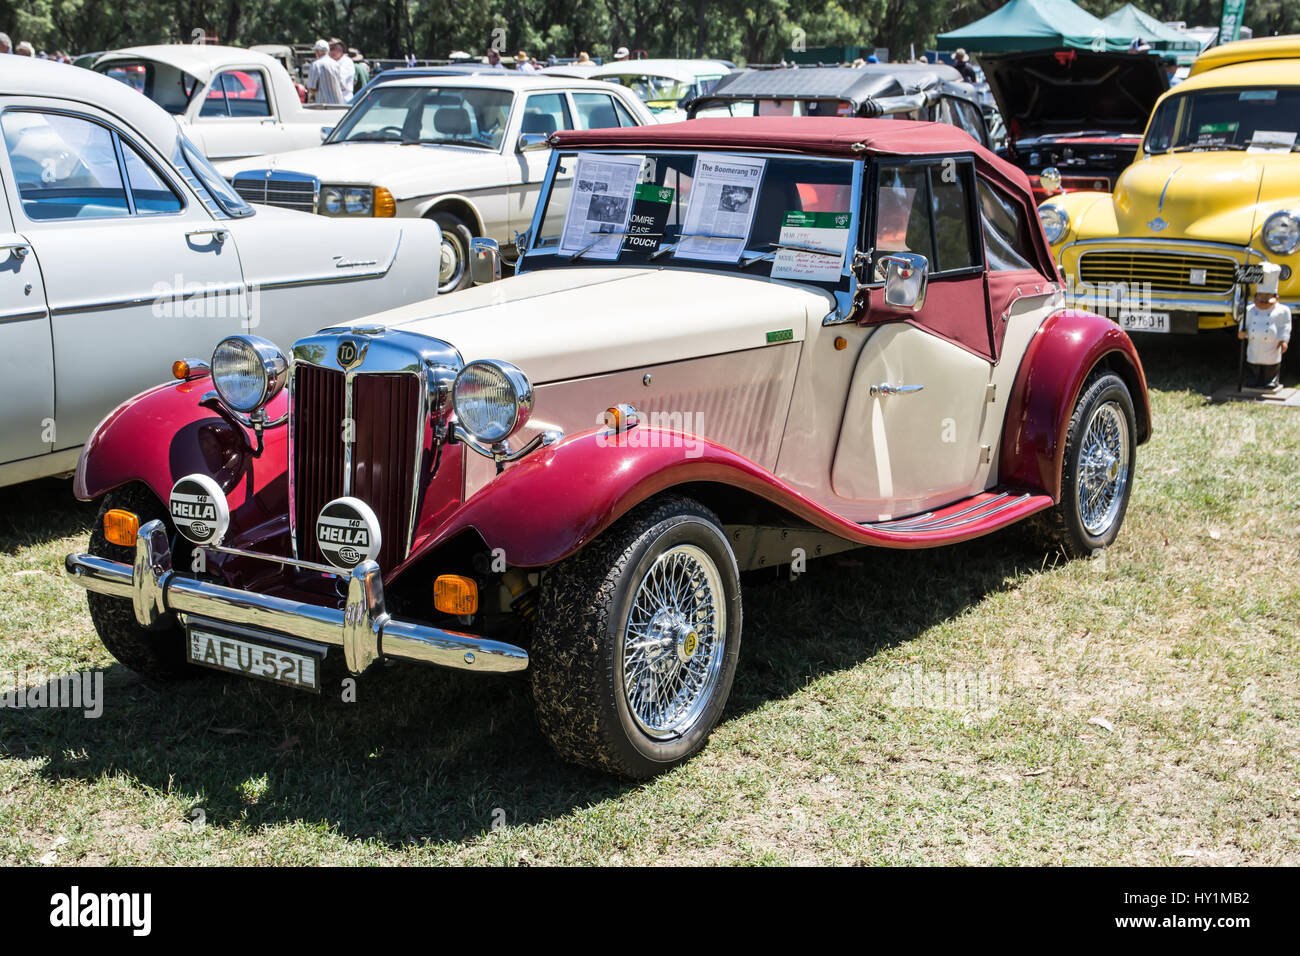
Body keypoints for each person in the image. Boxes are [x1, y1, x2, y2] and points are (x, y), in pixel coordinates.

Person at [1240, 263, 1291, 390]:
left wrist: (1283, 340)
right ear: (1255, 297)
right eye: (1260, 297)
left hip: (1272, 346)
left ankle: (1271, 380)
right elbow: (1244, 323)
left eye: (1267, 297)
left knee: (1271, 365)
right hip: (1254, 345)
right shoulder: (1249, 310)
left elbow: (1285, 326)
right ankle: (1253, 379)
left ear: (1276, 298)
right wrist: (1241, 333)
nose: (1263, 300)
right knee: (1253, 363)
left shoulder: (1282, 310)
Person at [305, 40, 339, 104]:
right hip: (337, 102)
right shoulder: (336, 64)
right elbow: (342, 86)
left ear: (317, 51)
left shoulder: (316, 65)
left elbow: (312, 89)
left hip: (323, 104)